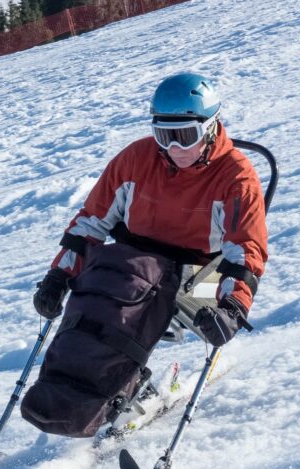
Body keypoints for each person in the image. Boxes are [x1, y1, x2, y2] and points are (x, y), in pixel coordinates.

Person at [32, 72, 268, 347]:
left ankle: (126, 374)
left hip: (201, 276)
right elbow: (90, 222)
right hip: (134, 266)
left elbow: (244, 250)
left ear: (211, 127)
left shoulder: (236, 178)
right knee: (97, 292)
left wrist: (233, 307)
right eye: (164, 136)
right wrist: (59, 275)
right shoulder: (136, 159)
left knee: (138, 299)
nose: (174, 148)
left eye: (186, 136)